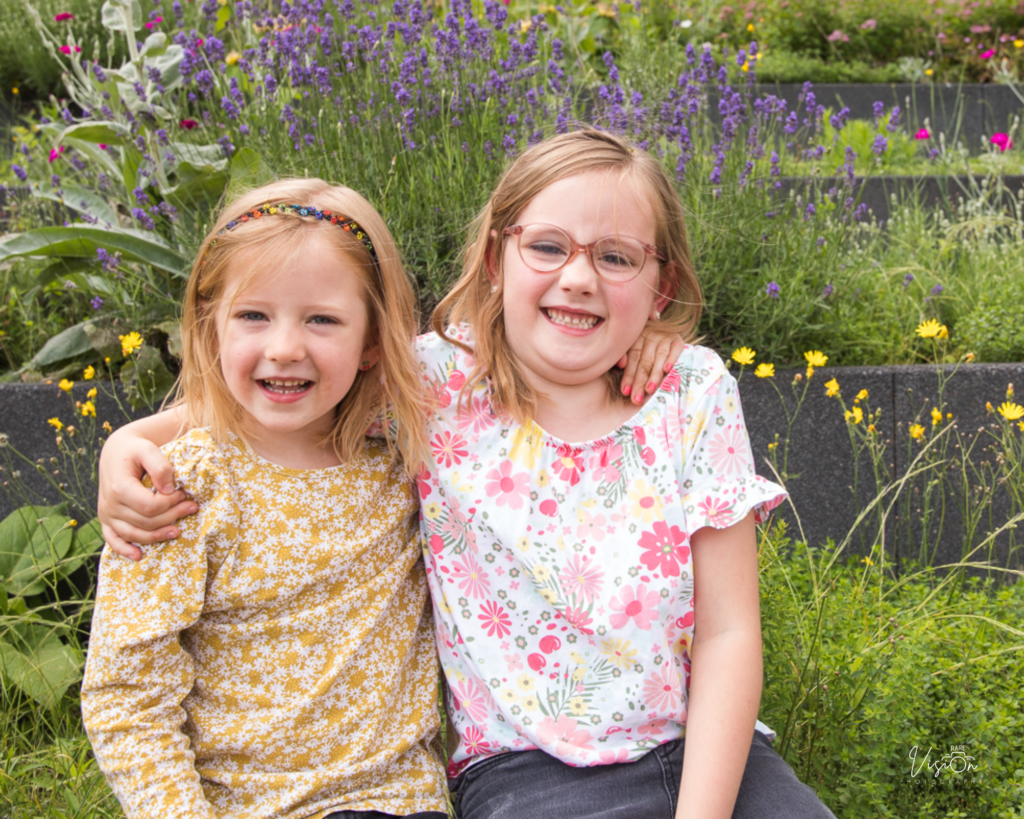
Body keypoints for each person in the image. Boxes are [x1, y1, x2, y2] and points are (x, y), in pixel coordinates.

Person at [98, 130, 836, 819]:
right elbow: (286, 388)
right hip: (531, 771)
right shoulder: (437, 387)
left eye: (616, 258)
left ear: (660, 285)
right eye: (547, 246)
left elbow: (729, 630)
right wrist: (131, 438)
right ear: (495, 259)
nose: (578, 277)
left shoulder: (690, 391)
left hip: (707, 755)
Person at [80, 179, 450, 819]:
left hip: (393, 800)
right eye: (254, 315)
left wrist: (656, 341)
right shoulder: (182, 484)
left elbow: (538, 362)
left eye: (323, 319)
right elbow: (127, 695)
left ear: (371, 341)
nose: (284, 347)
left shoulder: (403, 451)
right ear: (209, 323)